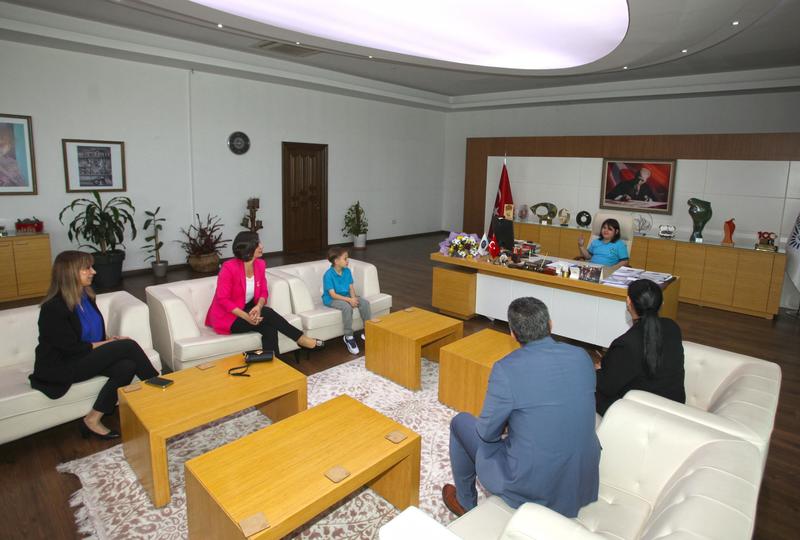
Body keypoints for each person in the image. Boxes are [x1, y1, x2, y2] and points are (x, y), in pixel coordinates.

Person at [442, 297, 600, 518]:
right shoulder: (582, 356)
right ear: (550, 324)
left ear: (513, 334)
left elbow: (486, 433)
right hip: (583, 472)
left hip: (533, 485)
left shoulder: (506, 369)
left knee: (460, 422)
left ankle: (465, 502)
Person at [29, 251, 159, 440]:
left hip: (81, 357)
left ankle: (92, 419)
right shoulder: (53, 308)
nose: (94, 271)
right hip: (62, 365)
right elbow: (70, 348)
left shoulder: (86, 297)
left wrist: (109, 339)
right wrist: (110, 344)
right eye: (87, 268)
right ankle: (161, 390)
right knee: (128, 346)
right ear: (70, 272)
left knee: (127, 366)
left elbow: (91, 333)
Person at [205, 231, 323, 354]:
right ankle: (301, 339)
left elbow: (263, 291)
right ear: (247, 248)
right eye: (257, 244)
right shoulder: (228, 267)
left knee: (269, 328)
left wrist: (258, 306)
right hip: (228, 317)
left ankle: (273, 362)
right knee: (268, 313)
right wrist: (247, 317)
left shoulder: (260, 264)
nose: (261, 246)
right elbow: (223, 299)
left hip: (248, 309)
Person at [595, 279, 685, 415]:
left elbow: (606, 387)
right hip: (674, 407)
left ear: (628, 302)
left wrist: (599, 371)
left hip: (640, 413)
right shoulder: (672, 327)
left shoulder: (626, 343)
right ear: (662, 303)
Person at [322, 247, 371, 355]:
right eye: (345, 259)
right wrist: (349, 300)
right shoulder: (328, 275)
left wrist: (353, 299)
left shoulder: (347, 271)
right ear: (336, 261)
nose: (347, 261)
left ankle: (368, 331)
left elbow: (351, 288)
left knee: (364, 303)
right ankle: (348, 337)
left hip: (347, 296)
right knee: (346, 307)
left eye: (347, 258)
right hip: (332, 299)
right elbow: (333, 294)